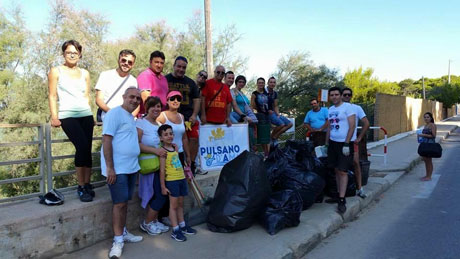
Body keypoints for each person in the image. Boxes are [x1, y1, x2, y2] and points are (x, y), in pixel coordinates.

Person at [48, 40, 95, 202]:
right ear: (63, 54)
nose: (72, 55)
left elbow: (87, 95)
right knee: (81, 147)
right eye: (69, 52)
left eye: (75, 52)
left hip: (86, 115)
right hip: (67, 115)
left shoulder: (85, 73)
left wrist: (90, 113)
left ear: (80, 54)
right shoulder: (56, 71)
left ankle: (88, 184)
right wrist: (54, 116)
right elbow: (52, 95)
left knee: (87, 149)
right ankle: (81, 186)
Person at [101, 87, 143, 258]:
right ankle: (117, 241)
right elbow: (106, 140)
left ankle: (123, 232)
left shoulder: (131, 117)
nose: (134, 100)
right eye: (131, 97)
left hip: (131, 167)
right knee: (119, 204)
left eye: (138, 98)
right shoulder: (114, 114)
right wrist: (110, 167)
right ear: (124, 97)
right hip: (118, 169)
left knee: (125, 202)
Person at [136, 96, 170, 236]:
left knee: (158, 194)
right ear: (147, 108)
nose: (156, 109)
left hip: (160, 166)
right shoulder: (140, 123)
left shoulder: (158, 125)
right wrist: (155, 151)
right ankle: (147, 223)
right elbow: (136, 144)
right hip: (148, 167)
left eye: (158, 106)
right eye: (153, 106)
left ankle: (154, 220)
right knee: (156, 195)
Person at [158, 124, 197, 242]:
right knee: (173, 206)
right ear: (161, 138)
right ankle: (175, 230)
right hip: (172, 181)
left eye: (171, 133)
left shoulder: (175, 148)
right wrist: (163, 186)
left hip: (181, 179)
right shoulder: (163, 152)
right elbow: (162, 170)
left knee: (180, 204)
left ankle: (182, 225)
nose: (169, 136)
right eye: (166, 134)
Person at [166, 56, 200, 175]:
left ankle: (191, 164)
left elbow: (196, 100)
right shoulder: (166, 79)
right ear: (174, 66)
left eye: (184, 67)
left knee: (194, 139)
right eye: (179, 66)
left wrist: (194, 115)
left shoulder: (190, 82)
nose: (181, 69)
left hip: (188, 117)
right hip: (171, 116)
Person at [326, 87, 356, 214]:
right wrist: (326, 143)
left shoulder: (348, 108)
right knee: (336, 169)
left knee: (343, 171)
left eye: (336, 94)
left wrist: (347, 143)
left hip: (344, 144)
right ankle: (338, 195)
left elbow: (352, 126)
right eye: (332, 95)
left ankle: (342, 200)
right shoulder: (330, 109)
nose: (334, 97)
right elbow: (330, 127)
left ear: (340, 95)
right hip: (333, 143)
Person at [342, 87, 370, 198]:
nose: (347, 96)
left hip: (352, 142)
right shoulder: (336, 108)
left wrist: (359, 138)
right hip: (337, 142)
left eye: (349, 95)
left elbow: (366, 123)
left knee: (356, 163)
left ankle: (360, 188)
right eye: (345, 94)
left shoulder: (357, 108)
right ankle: (341, 192)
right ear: (341, 96)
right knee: (339, 166)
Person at [95, 49, 138, 121]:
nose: (126, 63)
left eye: (130, 62)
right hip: (109, 117)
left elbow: (137, 104)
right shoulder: (105, 75)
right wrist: (114, 114)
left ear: (133, 65)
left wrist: (130, 117)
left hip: (127, 119)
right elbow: (99, 100)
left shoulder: (133, 81)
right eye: (124, 60)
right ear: (119, 60)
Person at [156, 91, 191, 167]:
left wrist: (188, 156)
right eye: (172, 99)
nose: (175, 101)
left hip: (180, 153)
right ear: (167, 101)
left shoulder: (181, 116)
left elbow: (184, 138)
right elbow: (157, 136)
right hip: (167, 154)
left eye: (178, 99)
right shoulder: (162, 115)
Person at [138, 50, 168, 115]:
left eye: (162, 63)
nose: (159, 65)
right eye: (156, 62)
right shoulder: (145, 76)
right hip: (150, 117)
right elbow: (146, 100)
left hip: (162, 118)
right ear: (150, 62)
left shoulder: (164, 79)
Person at [267, 77, 293, 146]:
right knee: (281, 124)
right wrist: (267, 110)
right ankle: (272, 137)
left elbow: (275, 105)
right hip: (267, 113)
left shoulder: (275, 93)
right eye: (271, 82)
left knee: (290, 124)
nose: (272, 84)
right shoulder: (264, 92)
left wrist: (278, 114)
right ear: (268, 83)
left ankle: (275, 137)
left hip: (274, 113)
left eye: (274, 82)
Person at [251, 77, 271, 158]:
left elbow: (270, 104)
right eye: (259, 82)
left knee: (267, 136)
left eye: (262, 83)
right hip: (260, 116)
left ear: (264, 84)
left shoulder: (267, 93)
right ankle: (266, 154)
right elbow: (252, 105)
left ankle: (268, 154)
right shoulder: (254, 94)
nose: (261, 84)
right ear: (257, 83)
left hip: (267, 116)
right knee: (262, 136)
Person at [418, 112, 437, 181]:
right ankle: (427, 175)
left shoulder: (432, 125)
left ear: (431, 118)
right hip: (424, 144)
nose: (426, 118)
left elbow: (433, 136)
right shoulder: (426, 125)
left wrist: (423, 135)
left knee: (429, 161)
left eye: (428, 117)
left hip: (430, 144)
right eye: (425, 117)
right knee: (426, 161)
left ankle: (429, 176)